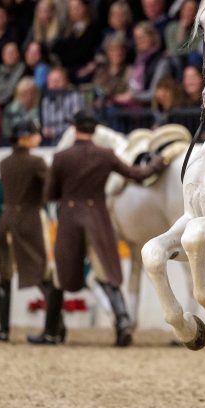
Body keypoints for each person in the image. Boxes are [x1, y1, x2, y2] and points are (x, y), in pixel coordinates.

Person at [41, 109, 166, 346]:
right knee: (106, 273)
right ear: (95, 130)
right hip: (97, 217)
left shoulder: (61, 157)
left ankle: (51, 331)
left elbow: (50, 193)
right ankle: (122, 323)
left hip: (69, 218)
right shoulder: (106, 154)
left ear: (74, 128)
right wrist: (157, 165)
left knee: (60, 274)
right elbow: (135, 174)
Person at [0, 119, 64, 343]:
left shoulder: (4, 163)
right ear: (24, 138)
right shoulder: (36, 162)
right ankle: (55, 327)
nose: (39, 137)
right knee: (43, 274)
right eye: (34, 134)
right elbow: (50, 189)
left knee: (5, 275)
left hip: (5, 220)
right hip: (29, 220)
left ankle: (3, 330)